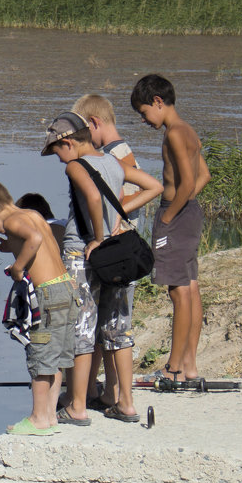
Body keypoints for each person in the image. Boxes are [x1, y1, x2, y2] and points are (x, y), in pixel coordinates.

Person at [42, 112, 162, 423]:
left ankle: (77, 406)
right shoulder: (112, 162)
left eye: (56, 151)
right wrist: (119, 218)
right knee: (118, 330)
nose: (58, 160)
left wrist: (98, 236)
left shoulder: (75, 165)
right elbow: (154, 186)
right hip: (117, 255)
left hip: (83, 253)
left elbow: (94, 197)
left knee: (82, 329)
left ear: (68, 142)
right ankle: (126, 403)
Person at [0, 179, 78, 435]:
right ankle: (50, 416)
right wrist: (10, 245)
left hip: (48, 295)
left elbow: (34, 238)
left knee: (40, 355)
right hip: (66, 290)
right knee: (55, 359)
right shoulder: (31, 214)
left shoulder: (10, 221)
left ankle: (38, 417)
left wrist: (18, 266)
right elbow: (42, 237)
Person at [71, 93, 152, 406]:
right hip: (119, 249)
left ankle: (110, 392)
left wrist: (112, 221)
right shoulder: (114, 152)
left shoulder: (115, 154)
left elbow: (133, 192)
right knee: (113, 325)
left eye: (82, 131)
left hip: (115, 249)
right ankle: (107, 392)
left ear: (94, 124)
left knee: (112, 326)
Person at [130, 74, 211, 385]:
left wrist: (167, 218)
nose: (144, 119)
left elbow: (189, 182)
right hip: (189, 215)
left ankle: (173, 368)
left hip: (175, 217)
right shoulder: (189, 131)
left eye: (144, 112)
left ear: (158, 102)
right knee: (190, 287)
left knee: (178, 292)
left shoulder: (174, 134)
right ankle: (189, 364)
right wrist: (187, 204)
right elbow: (204, 175)